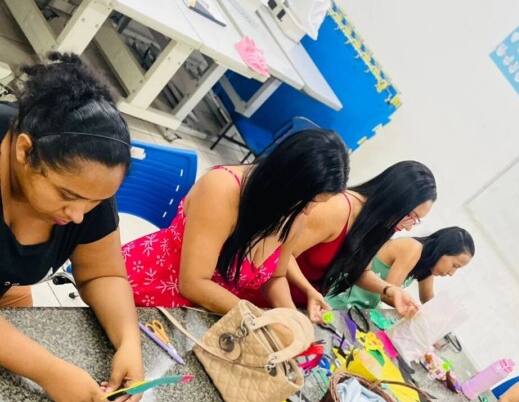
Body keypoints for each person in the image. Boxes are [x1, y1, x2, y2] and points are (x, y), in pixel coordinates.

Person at [0, 53, 143, 402]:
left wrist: (128, 340)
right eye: (68, 195)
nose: (79, 215)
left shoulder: (86, 182)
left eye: (96, 201)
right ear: (24, 150)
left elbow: (102, 273)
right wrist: (48, 371)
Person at [122, 129, 350, 321]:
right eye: (307, 200)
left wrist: (292, 319)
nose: (308, 211)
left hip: (205, 311)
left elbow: (275, 277)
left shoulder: (295, 216)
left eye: (317, 203)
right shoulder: (223, 188)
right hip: (148, 293)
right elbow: (193, 283)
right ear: (285, 180)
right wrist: (259, 319)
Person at [264, 161, 437, 322]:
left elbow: (360, 271)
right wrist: (306, 292)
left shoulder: (377, 225)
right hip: (269, 297)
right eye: (410, 215)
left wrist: (390, 290)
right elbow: (279, 255)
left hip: (301, 306)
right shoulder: (339, 208)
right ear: (395, 198)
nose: (409, 227)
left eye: (416, 220)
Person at [325, 226, 475, 311]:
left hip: (361, 310)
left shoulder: (428, 264)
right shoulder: (412, 248)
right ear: (443, 251)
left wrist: (443, 318)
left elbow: (427, 297)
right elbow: (387, 295)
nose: (452, 273)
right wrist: (417, 313)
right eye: (455, 265)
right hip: (342, 303)